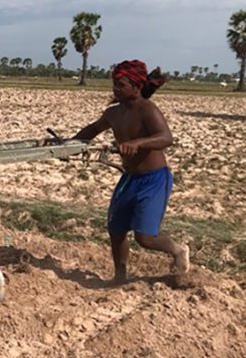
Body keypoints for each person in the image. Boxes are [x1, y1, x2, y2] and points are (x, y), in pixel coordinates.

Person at [72, 60, 190, 284]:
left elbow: (166, 138)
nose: (116, 89)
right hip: (129, 178)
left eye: (121, 85)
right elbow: (93, 130)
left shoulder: (148, 110)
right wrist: (69, 144)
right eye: (115, 84)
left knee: (144, 237)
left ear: (136, 86)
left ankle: (178, 250)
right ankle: (120, 276)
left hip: (154, 180)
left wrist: (138, 143)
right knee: (116, 231)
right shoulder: (114, 113)